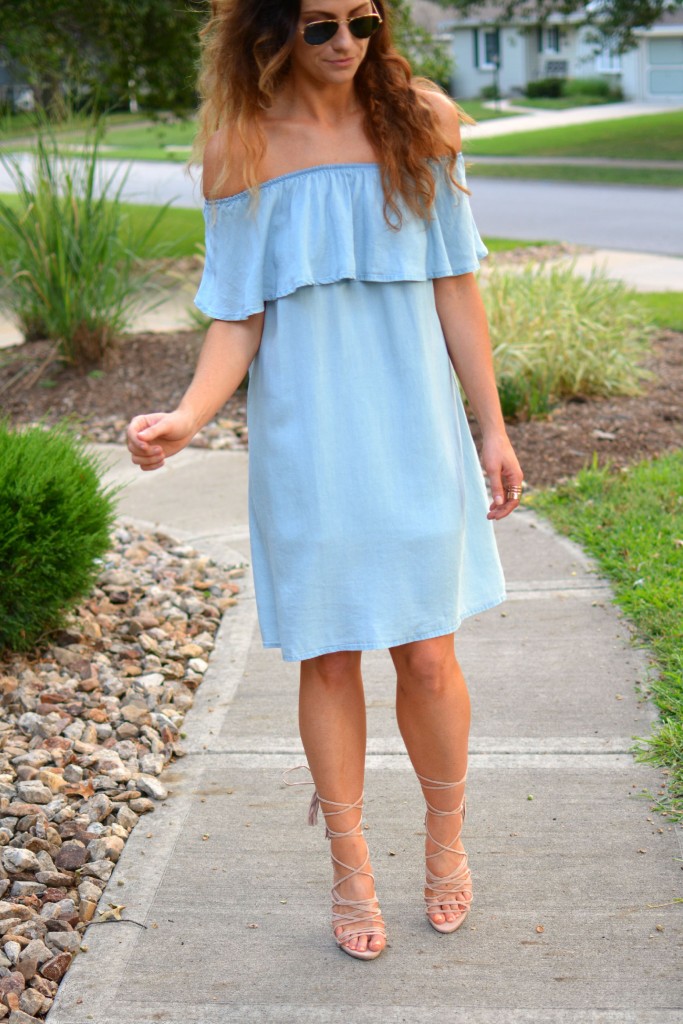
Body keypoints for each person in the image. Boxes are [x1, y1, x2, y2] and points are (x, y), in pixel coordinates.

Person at [126, 0, 523, 962]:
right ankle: (349, 866)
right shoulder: (239, 147)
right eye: (318, 26)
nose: (344, 43)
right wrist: (187, 416)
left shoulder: (421, 118)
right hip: (309, 436)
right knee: (330, 653)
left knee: (428, 654)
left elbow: (455, 280)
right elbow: (236, 314)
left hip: (413, 424)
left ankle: (444, 842)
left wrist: (492, 427)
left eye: (362, 21)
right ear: (271, 34)